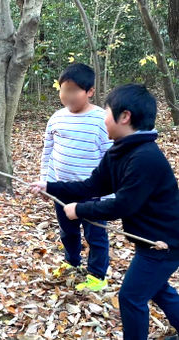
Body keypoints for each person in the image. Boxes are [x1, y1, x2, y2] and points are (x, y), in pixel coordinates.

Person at [31, 84, 179, 340]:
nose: (103, 117)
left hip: (164, 244)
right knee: (156, 289)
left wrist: (79, 210)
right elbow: (92, 185)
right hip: (151, 241)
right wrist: (50, 185)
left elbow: (123, 205)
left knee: (131, 297)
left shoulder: (145, 157)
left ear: (125, 117)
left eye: (107, 111)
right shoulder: (120, 151)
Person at [39, 63, 112, 291]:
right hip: (62, 190)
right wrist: (46, 182)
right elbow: (48, 152)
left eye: (74, 90)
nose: (67, 96)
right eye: (63, 90)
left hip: (92, 194)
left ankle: (97, 276)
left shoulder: (101, 120)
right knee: (67, 231)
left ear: (89, 91)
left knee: (96, 235)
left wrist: (109, 195)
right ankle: (72, 261)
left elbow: (110, 159)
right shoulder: (57, 118)